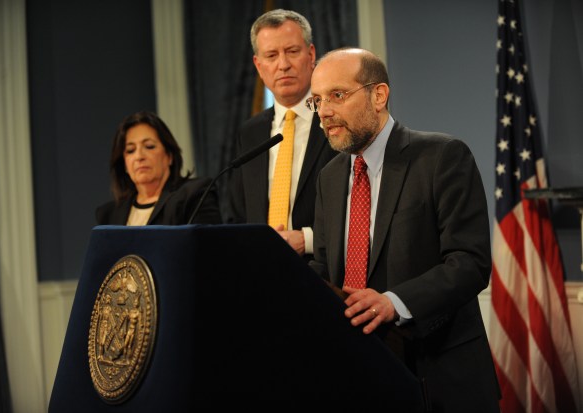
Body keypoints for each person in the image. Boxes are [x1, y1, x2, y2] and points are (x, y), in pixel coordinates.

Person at [307, 47, 501, 412]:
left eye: (337, 95)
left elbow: (469, 262)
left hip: (436, 374)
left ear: (378, 95)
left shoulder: (441, 156)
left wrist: (393, 303)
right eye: (316, 101)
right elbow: (324, 266)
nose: (325, 113)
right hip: (359, 374)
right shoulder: (329, 178)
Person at [227, 9, 337, 261]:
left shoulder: (336, 119)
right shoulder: (250, 132)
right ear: (258, 64)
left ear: (311, 55)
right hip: (261, 272)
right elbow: (238, 213)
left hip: (324, 273)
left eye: (292, 51)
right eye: (272, 55)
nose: (283, 64)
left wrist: (307, 238)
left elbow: (359, 209)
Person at [96, 110, 222, 226]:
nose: (139, 156)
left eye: (149, 146)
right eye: (130, 150)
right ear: (124, 165)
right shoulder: (108, 215)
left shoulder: (195, 194)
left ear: (169, 156)